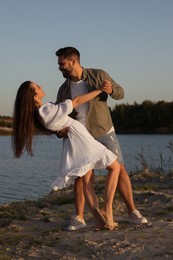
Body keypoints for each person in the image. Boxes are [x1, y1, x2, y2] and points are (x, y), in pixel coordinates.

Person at [55, 46, 148, 231]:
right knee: (82, 176)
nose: (59, 67)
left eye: (62, 63)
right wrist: (59, 132)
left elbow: (121, 93)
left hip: (104, 131)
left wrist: (111, 89)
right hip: (80, 137)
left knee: (119, 169)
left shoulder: (98, 75)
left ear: (73, 61)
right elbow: (59, 117)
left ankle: (132, 212)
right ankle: (79, 218)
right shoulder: (63, 89)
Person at [12, 81, 121, 230]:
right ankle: (106, 210)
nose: (41, 87)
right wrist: (100, 90)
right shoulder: (46, 111)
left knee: (87, 181)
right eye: (38, 87)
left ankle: (99, 220)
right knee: (115, 167)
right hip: (81, 141)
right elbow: (76, 101)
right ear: (34, 96)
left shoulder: (43, 112)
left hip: (76, 141)